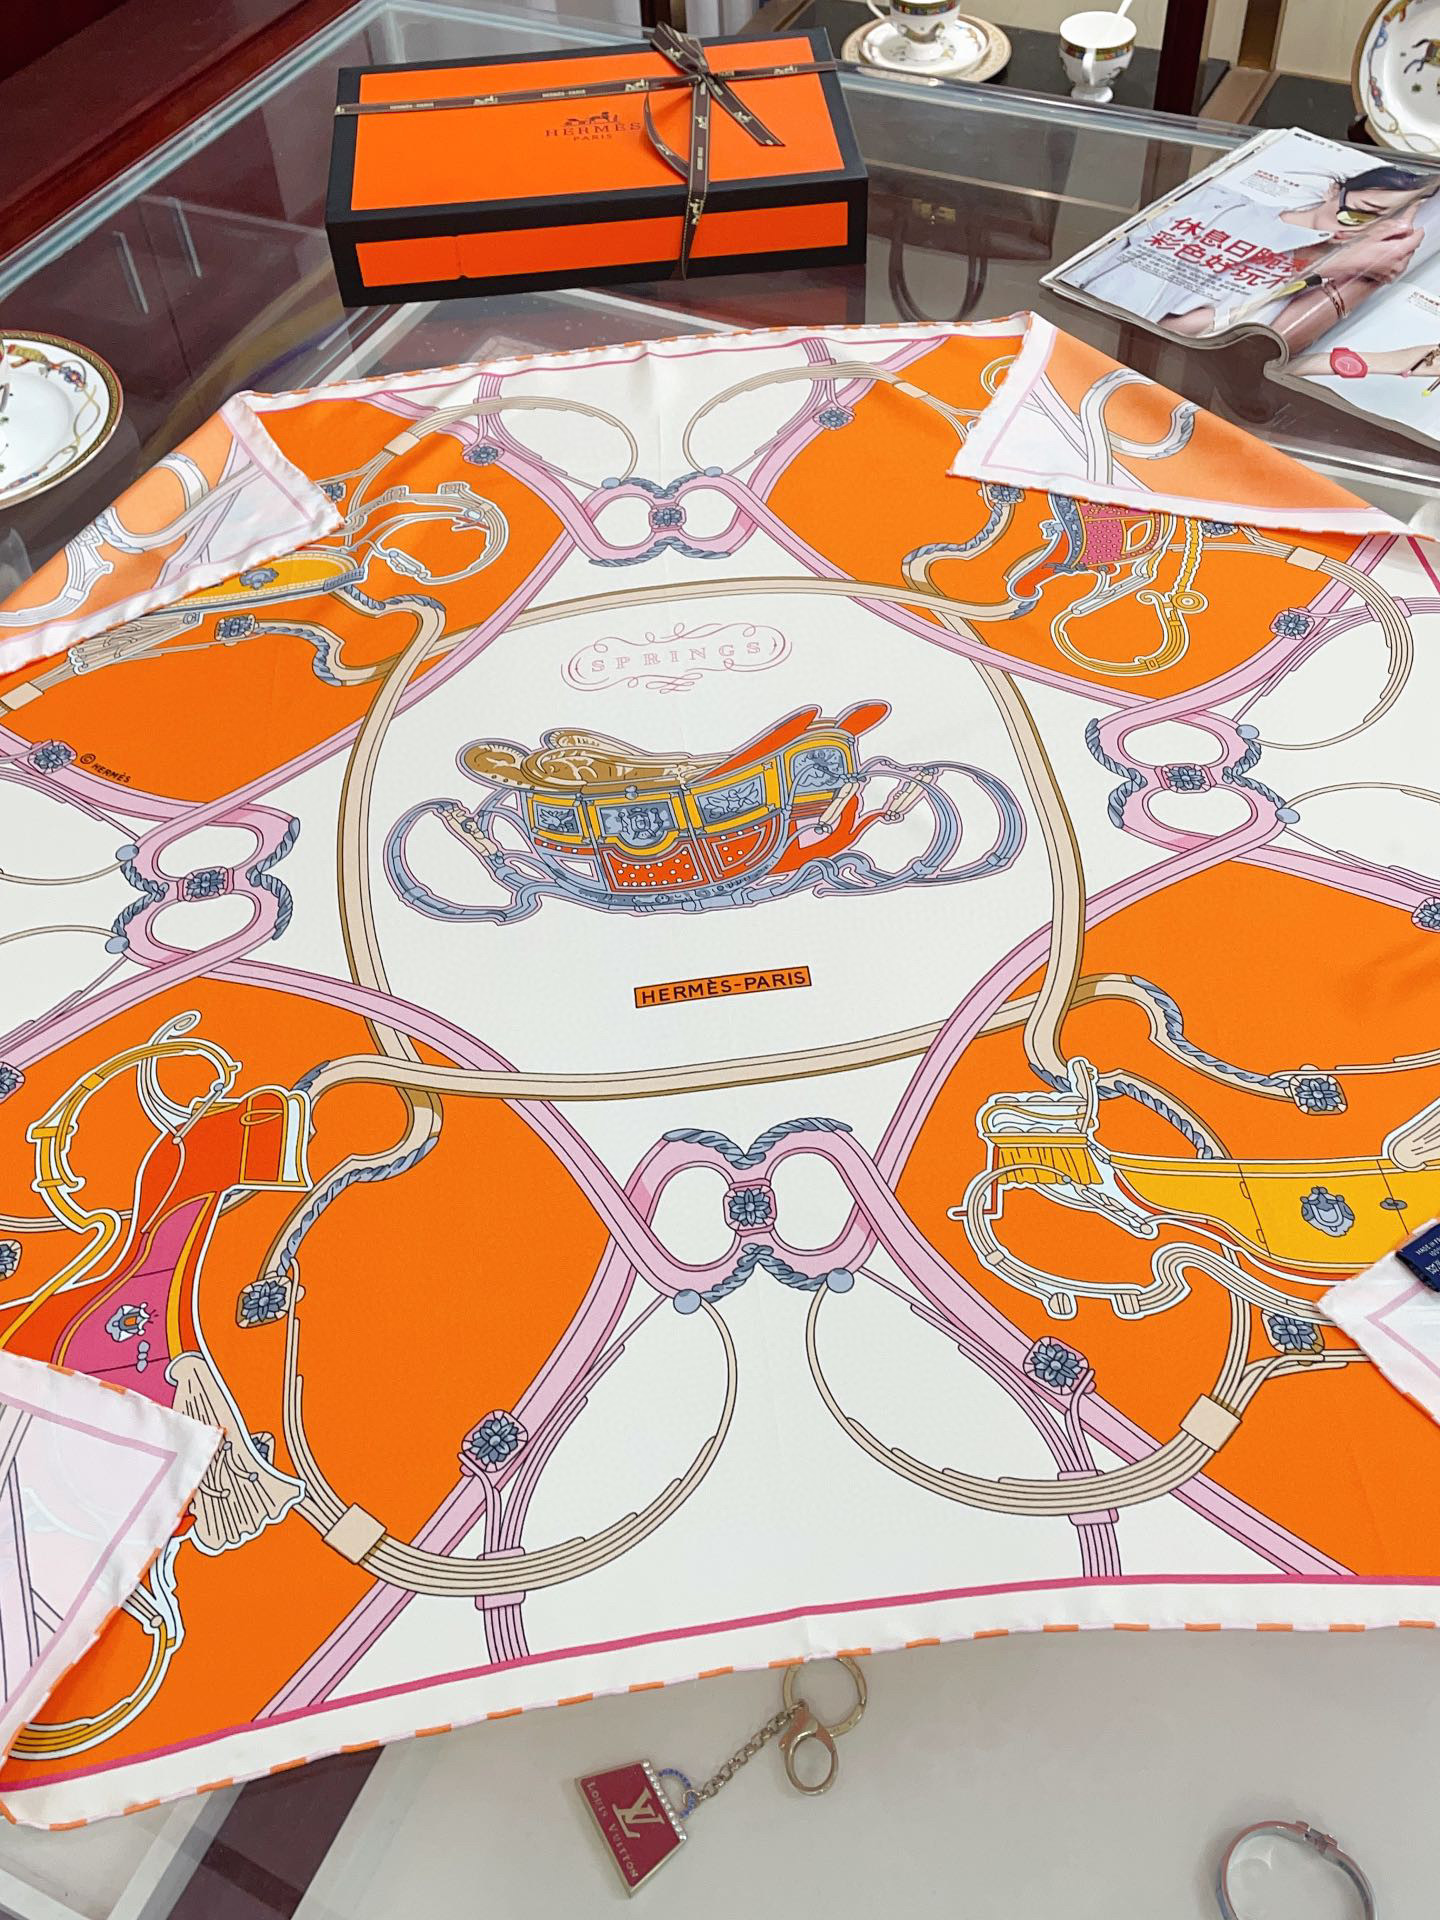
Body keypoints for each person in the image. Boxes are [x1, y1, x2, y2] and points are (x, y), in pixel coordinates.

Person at [1067, 161, 1440, 341]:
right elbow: (1171, 325)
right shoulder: (1221, 205)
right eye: (1359, 212)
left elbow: (1203, 331)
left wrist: (1340, 268)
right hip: (1084, 324)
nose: (1355, 228)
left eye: (1376, 224)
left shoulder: (1330, 271)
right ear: (1333, 191)